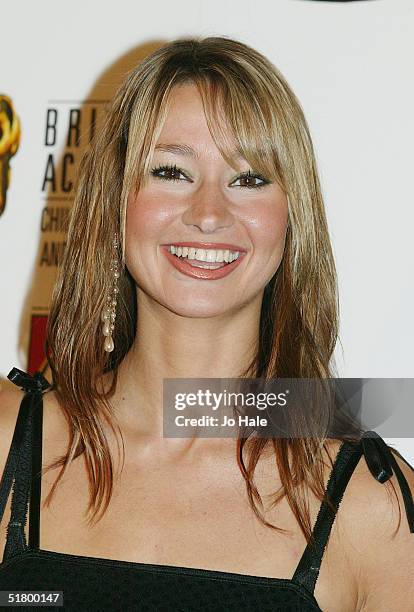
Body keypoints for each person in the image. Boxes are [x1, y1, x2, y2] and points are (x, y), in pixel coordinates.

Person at [0, 36, 413, 611]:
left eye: (249, 179)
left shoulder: (372, 507)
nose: (209, 214)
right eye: (172, 171)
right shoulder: (8, 441)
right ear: (115, 199)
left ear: (292, 217)